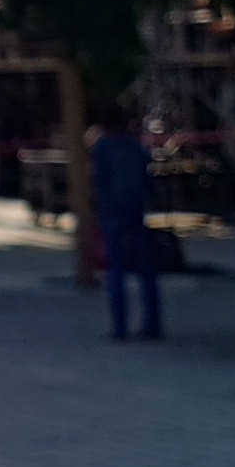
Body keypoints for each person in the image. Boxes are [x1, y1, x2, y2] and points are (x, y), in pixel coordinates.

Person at [89, 104, 161, 341]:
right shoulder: (135, 146)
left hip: (112, 211)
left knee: (116, 270)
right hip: (136, 210)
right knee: (146, 269)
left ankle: (120, 326)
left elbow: (99, 180)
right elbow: (148, 178)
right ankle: (152, 323)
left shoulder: (102, 148)